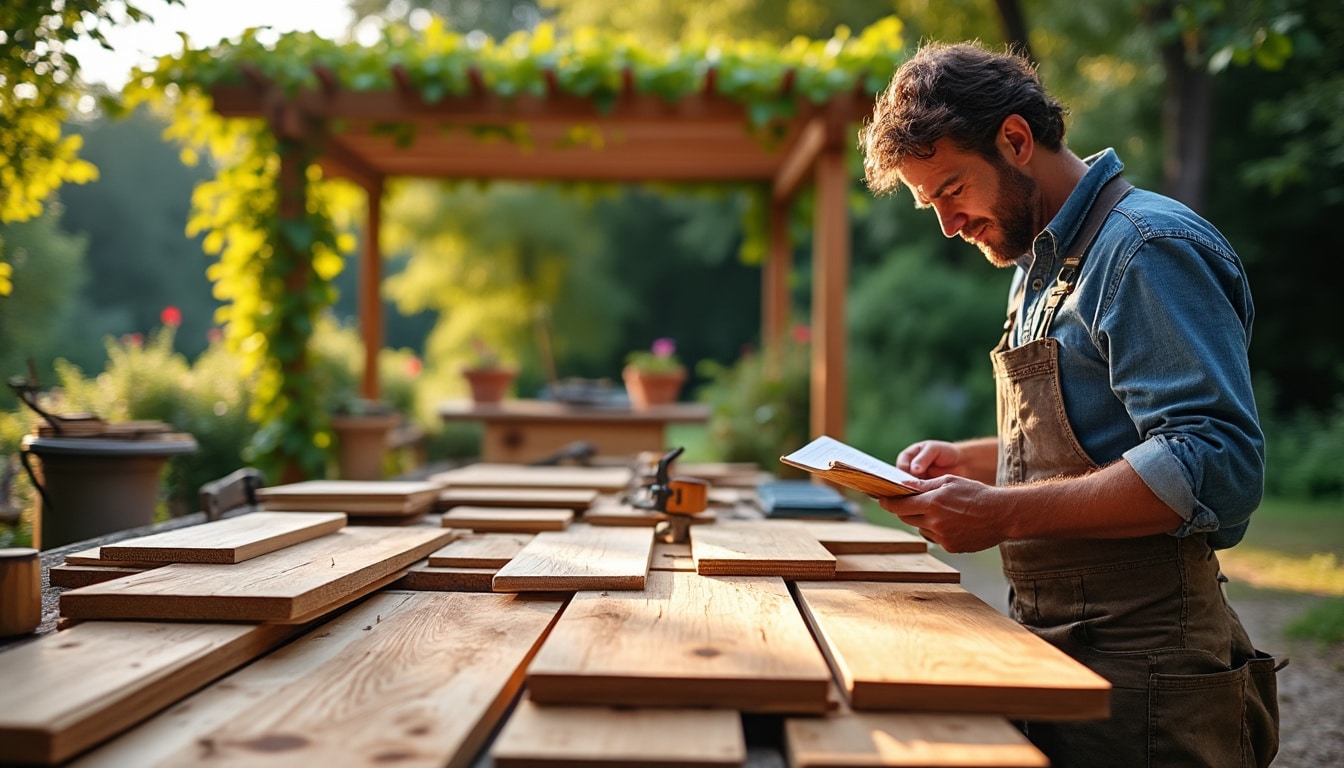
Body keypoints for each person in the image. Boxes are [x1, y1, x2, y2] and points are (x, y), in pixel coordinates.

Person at [859, 41, 1280, 767]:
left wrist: (1001, 512)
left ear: (1016, 140)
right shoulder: (1040, 262)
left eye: (953, 189)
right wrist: (976, 463)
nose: (948, 225)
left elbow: (1214, 462)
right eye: (932, 204)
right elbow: (1102, 437)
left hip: (1149, 672)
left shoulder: (1145, 249)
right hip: (1053, 643)